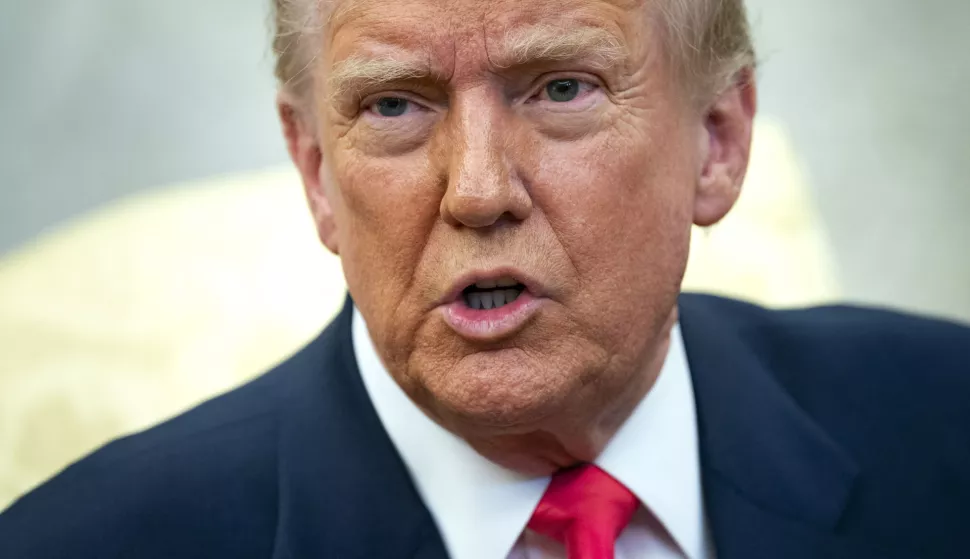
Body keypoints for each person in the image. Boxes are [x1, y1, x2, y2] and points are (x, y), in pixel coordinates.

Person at [2, 0, 968, 557]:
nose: (475, 191)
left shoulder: (944, 424)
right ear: (316, 174)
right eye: (393, 105)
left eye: (559, 89)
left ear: (716, 139)